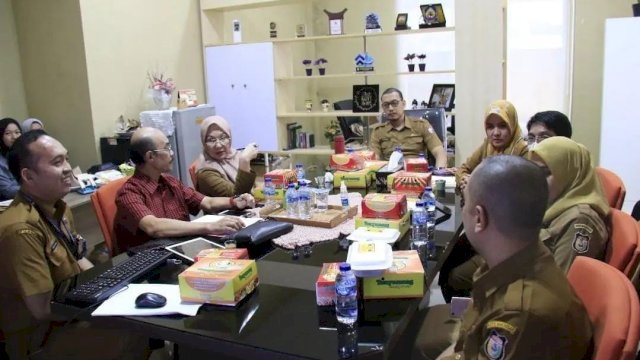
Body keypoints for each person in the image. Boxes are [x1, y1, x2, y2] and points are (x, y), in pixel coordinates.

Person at [415, 155, 593, 359]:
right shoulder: (519, 256)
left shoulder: (519, 312)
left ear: (480, 218)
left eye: (465, 202)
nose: (463, 209)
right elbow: (469, 340)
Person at [0, 130, 148, 359]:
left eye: (66, 158)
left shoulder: (58, 208)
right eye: (57, 162)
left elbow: (77, 257)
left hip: (70, 316)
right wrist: (101, 307)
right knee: (133, 330)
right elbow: (41, 310)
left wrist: (113, 288)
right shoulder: (20, 229)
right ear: (28, 177)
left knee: (141, 319)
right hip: (41, 338)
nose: (68, 167)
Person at [114, 127, 254, 253]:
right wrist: (210, 226)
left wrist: (234, 201)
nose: (172, 153)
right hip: (152, 258)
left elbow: (207, 202)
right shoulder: (129, 193)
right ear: (150, 156)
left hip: (181, 247)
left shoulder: (170, 182)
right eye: (167, 148)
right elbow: (154, 227)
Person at [529, 136, 610, 273]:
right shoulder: (553, 204)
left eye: (545, 173)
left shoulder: (580, 221)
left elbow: (559, 285)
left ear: (569, 174)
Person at [455, 100, 528, 190]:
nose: (496, 133)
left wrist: (478, 183)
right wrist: (464, 179)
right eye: (490, 127)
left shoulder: (522, 150)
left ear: (512, 125)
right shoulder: (488, 145)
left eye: (502, 126)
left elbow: (521, 187)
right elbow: (463, 169)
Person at [369, 88, 447, 167]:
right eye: (386, 105)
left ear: (403, 104)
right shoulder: (378, 131)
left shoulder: (421, 125)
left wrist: (439, 173)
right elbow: (374, 159)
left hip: (417, 172)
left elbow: (439, 153)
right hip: (389, 174)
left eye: (394, 103)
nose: (390, 108)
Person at [195, 116, 258, 197]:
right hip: (227, 209)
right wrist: (244, 160)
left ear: (230, 138)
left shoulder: (235, 155)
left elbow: (253, 188)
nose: (218, 145)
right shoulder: (205, 172)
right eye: (211, 140)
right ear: (204, 143)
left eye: (222, 138)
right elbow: (237, 197)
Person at [0, 117, 22, 200]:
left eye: (17, 132)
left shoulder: (27, 154)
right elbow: (8, 191)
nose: (14, 137)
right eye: (8, 133)